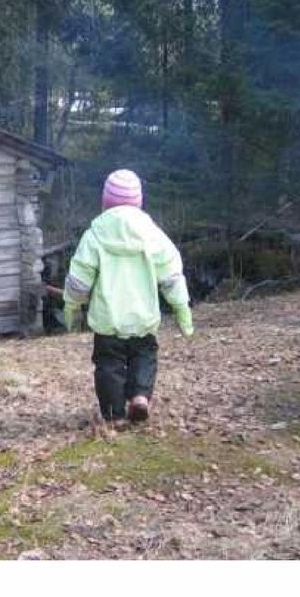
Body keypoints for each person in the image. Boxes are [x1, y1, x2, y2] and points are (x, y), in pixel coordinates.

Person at [63, 169, 193, 423]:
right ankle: (140, 397)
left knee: (109, 365)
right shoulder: (152, 233)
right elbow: (171, 275)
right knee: (143, 357)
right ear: (139, 201)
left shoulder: (95, 235)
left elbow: (79, 280)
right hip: (143, 317)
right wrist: (181, 308)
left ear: (105, 201)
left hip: (108, 320)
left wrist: (72, 306)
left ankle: (114, 414)